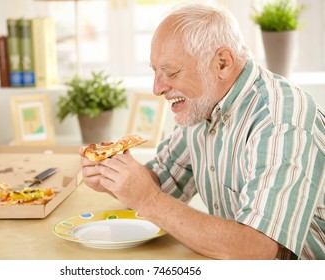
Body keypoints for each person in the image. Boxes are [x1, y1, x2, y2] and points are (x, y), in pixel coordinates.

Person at [79, 0, 325, 260]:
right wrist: (115, 177)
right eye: (155, 72)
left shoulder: (280, 121)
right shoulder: (202, 105)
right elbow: (162, 183)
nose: (157, 88)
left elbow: (256, 249)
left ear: (222, 63)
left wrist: (147, 200)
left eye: (170, 72)